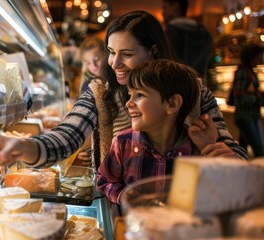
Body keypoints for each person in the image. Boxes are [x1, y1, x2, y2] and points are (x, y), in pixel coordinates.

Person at [0, 11, 246, 169]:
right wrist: (20, 146)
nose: (114, 64)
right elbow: (65, 137)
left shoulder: (193, 90)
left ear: (153, 51)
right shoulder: (100, 92)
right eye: (110, 52)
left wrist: (227, 155)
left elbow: (232, 151)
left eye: (126, 54)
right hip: (117, 215)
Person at [97, 59, 226, 203]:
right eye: (129, 94)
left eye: (140, 95)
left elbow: (217, 197)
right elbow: (104, 181)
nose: (128, 103)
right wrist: (123, 196)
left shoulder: (196, 151)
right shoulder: (122, 143)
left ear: (172, 104)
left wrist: (209, 148)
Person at [162, 0, 213, 79]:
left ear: (175, 7)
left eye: (165, 7)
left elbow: (167, 63)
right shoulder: (203, 31)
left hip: (179, 84)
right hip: (200, 83)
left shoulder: (170, 31)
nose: (163, 12)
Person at [232, 42, 264, 158]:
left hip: (251, 116)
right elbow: (239, 97)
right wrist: (258, 98)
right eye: (259, 56)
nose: (261, 59)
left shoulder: (250, 72)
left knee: (242, 150)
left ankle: (241, 172)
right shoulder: (244, 72)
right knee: (259, 151)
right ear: (252, 57)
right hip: (246, 116)